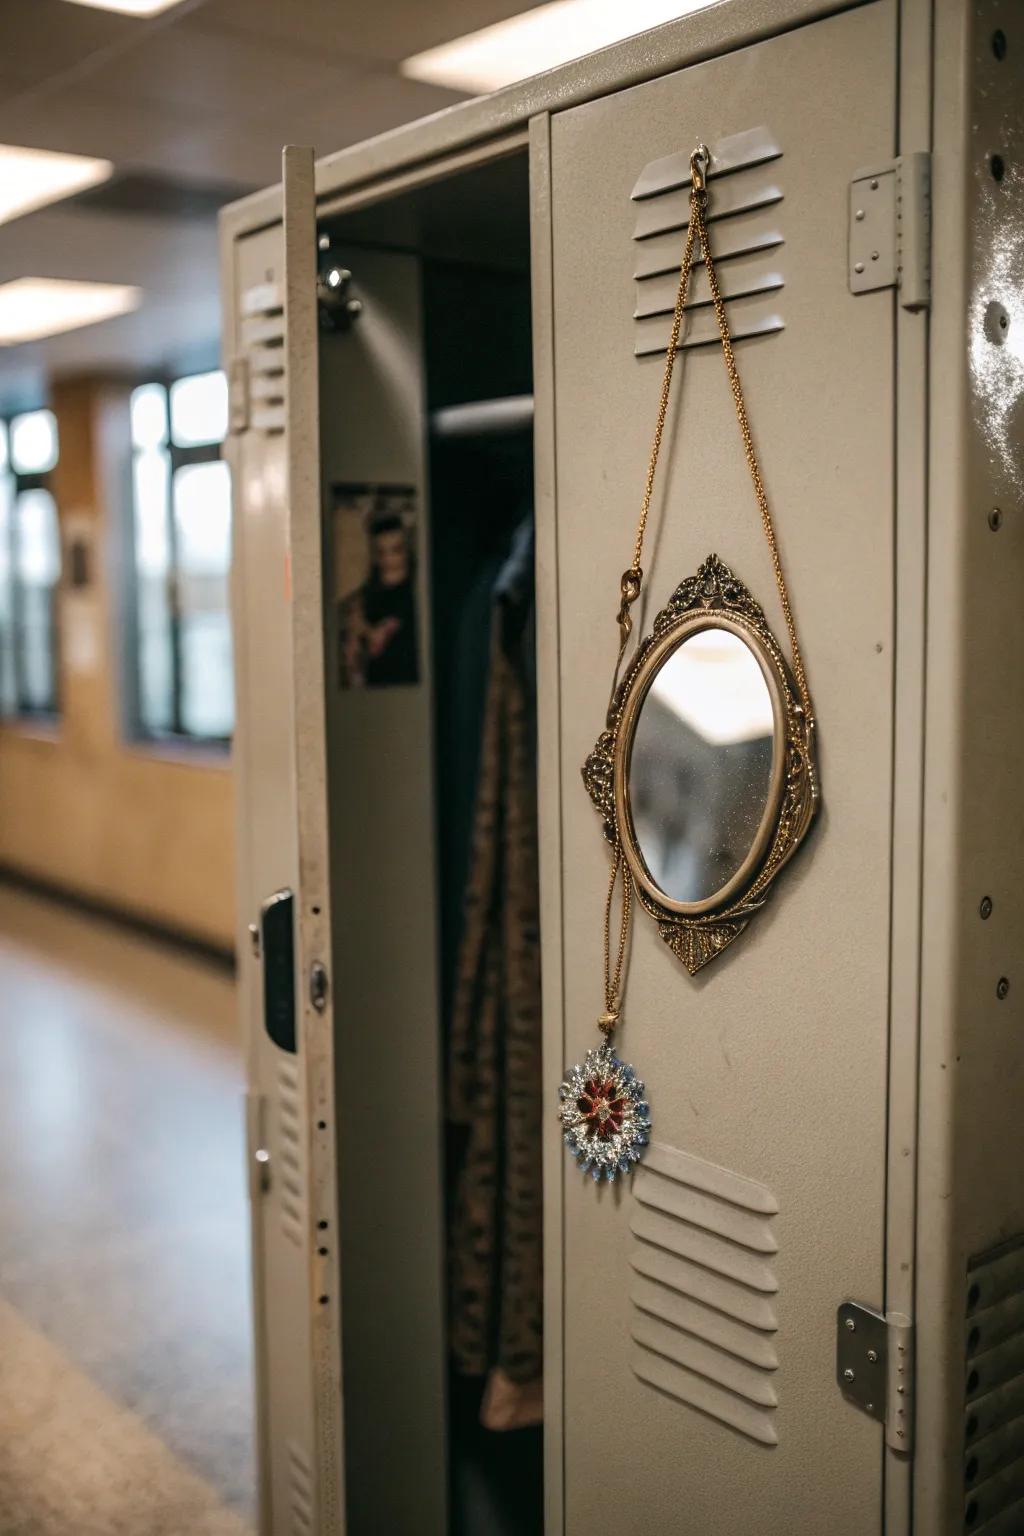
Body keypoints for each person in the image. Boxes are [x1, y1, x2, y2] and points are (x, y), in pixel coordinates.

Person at [340, 513, 418, 688]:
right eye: (382, 553)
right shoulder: (365, 596)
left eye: (396, 551)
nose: (389, 560)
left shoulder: (415, 593)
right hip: (376, 687)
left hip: (409, 686)